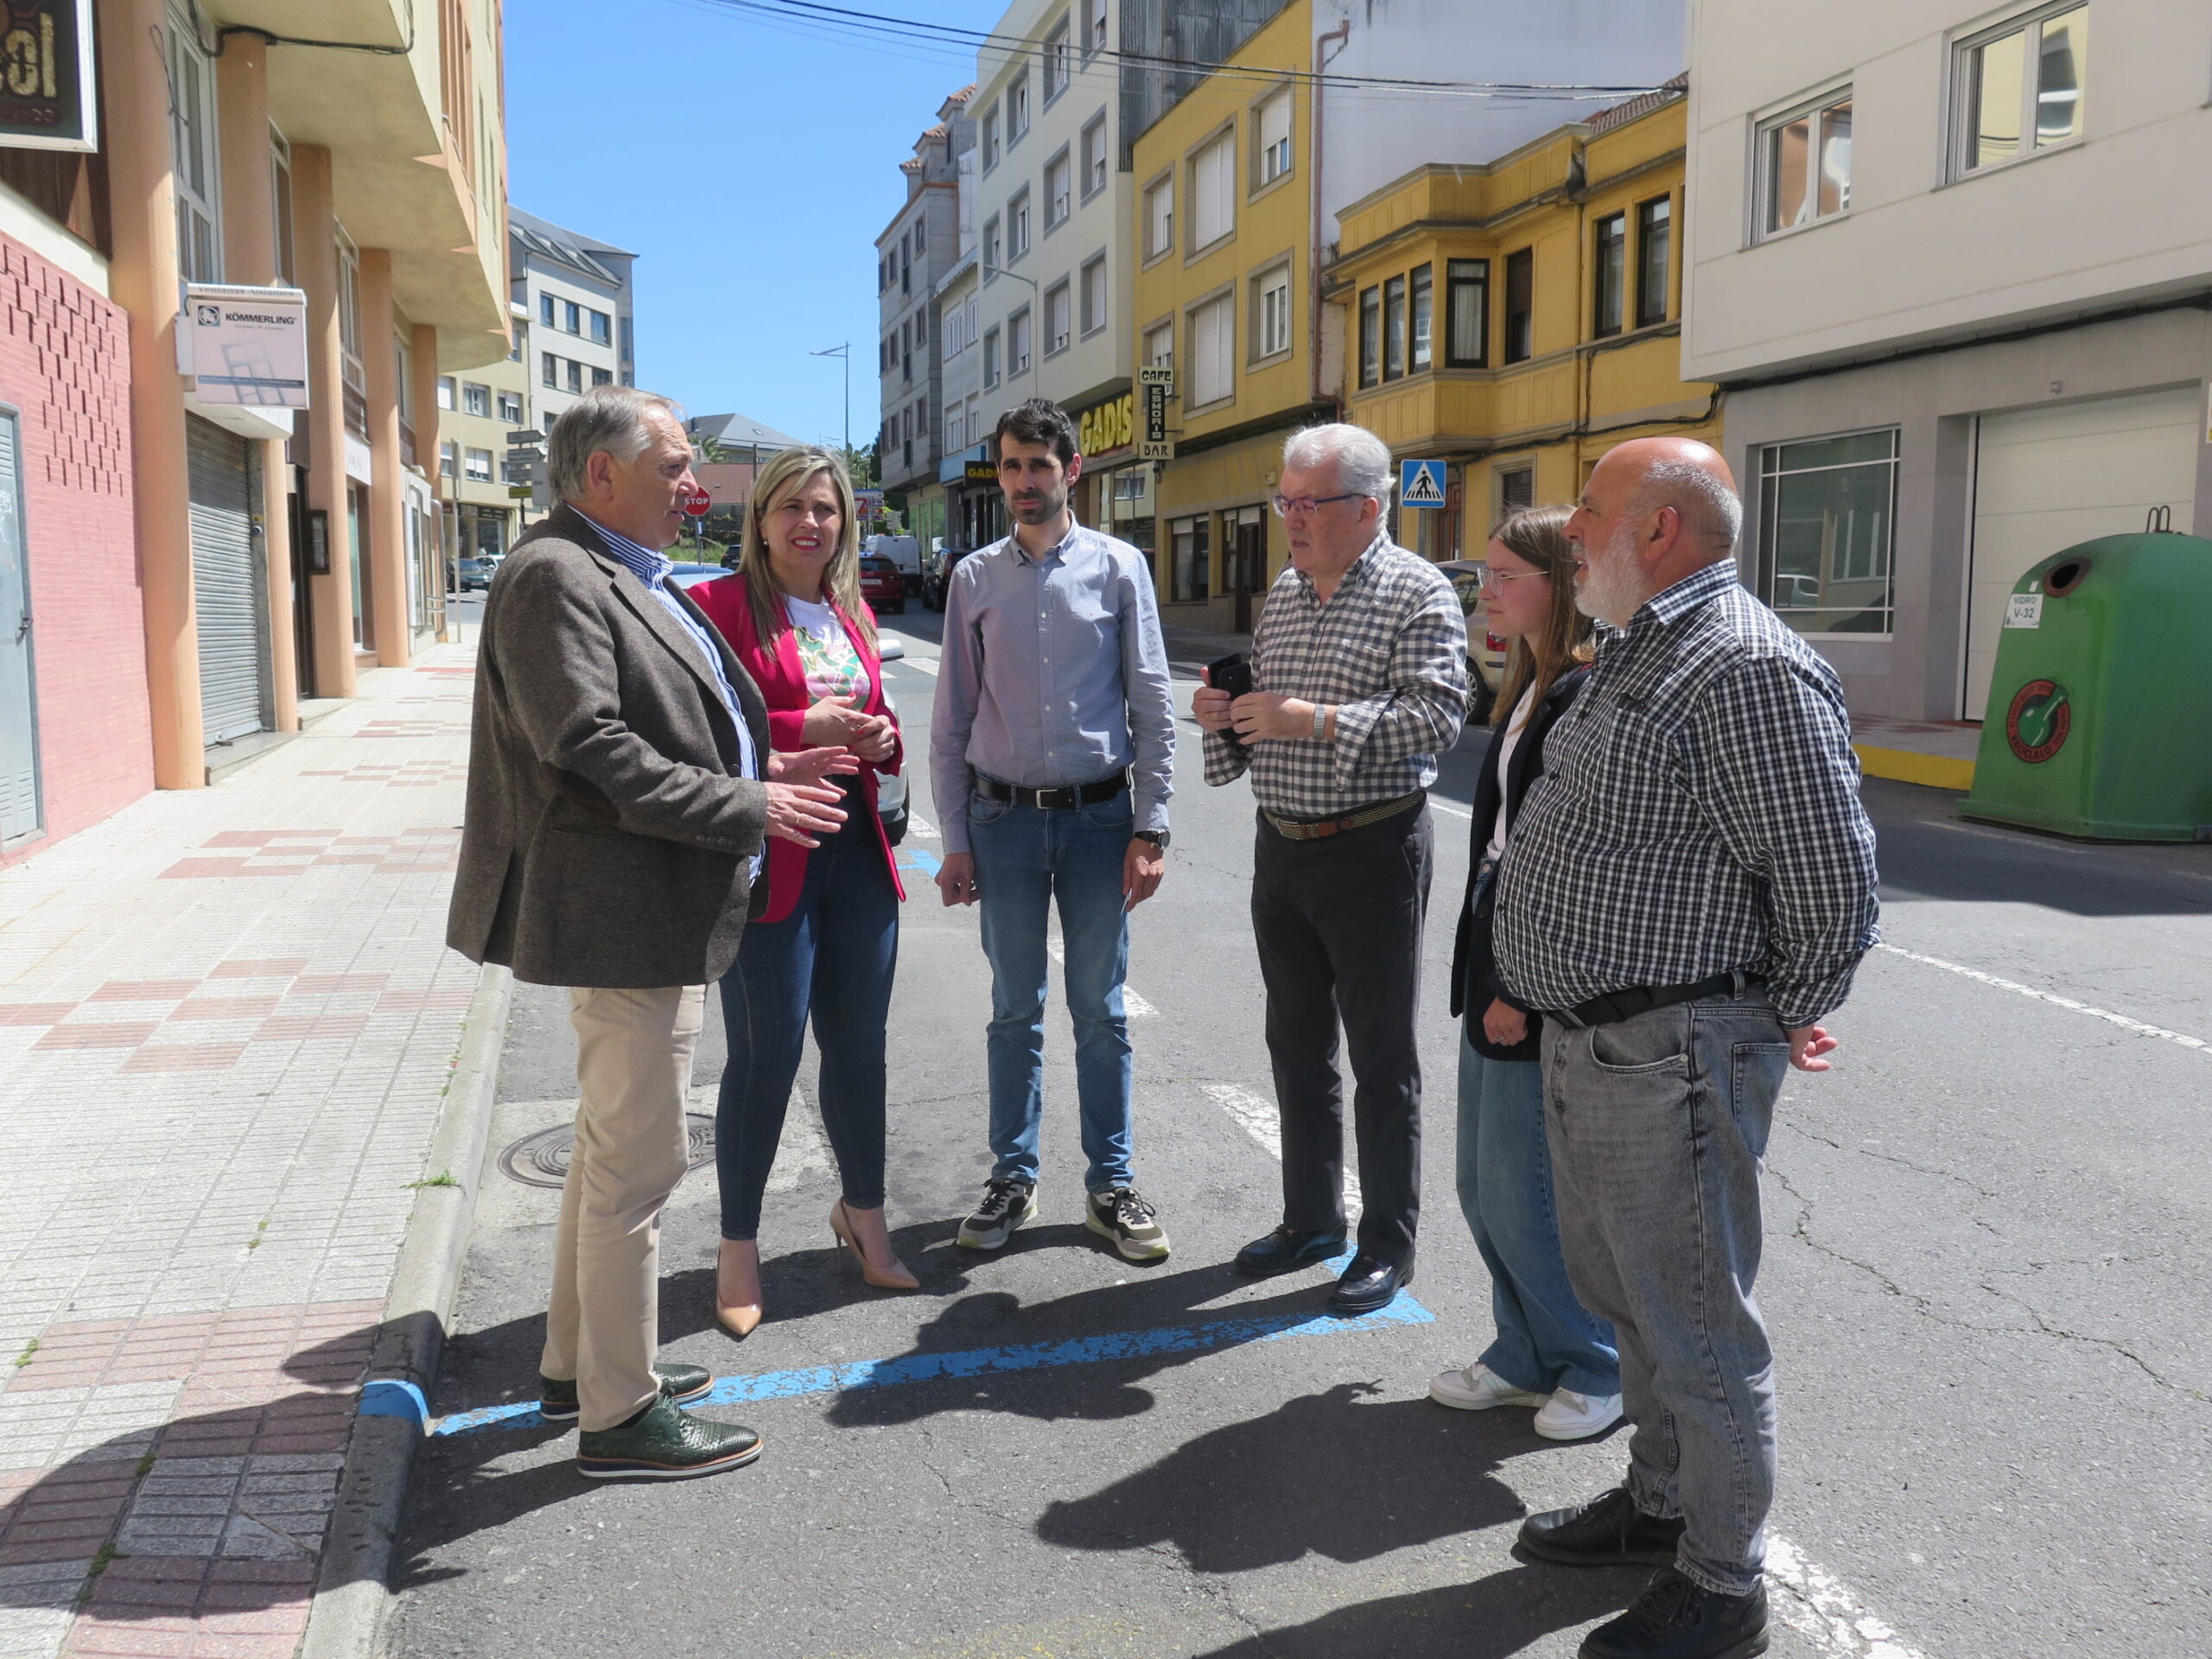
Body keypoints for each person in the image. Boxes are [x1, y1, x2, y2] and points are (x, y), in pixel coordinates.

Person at [1494, 438, 1878, 1659]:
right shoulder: (1641, 646)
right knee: (1635, 1308)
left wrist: (1752, 1022)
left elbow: (1833, 888)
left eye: (1591, 510)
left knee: (1699, 1324)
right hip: (1601, 1046)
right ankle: (1660, 1506)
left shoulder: (1743, 663)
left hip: (1670, 1053)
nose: (1570, 529)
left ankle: (1724, 1584)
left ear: (1658, 531)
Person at [446, 385, 854, 1480]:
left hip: (645, 906)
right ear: (598, 477)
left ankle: (579, 1365)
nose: (693, 485)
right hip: (619, 910)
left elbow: (676, 722)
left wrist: (766, 764)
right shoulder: (553, 575)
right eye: (673, 465)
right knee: (639, 1164)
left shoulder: (606, 568)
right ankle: (618, 1421)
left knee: (604, 1153)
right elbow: (590, 745)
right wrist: (750, 806)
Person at [1193, 423, 1468, 1315]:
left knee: (1382, 1058)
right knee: (1295, 1043)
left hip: (1371, 847)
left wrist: (1312, 720)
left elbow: (1435, 719)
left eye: (1309, 504)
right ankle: (1310, 1218)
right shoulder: (1282, 592)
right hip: (1283, 845)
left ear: (1369, 508)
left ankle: (1387, 1240)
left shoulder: (1415, 590)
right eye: (1285, 501)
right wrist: (1222, 713)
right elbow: (1259, 715)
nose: (1292, 518)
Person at [931, 397, 1177, 1262]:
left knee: (1100, 1012)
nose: (1024, 483)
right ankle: (1012, 1178)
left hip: (1099, 822)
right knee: (1013, 1011)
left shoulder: (1118, 569)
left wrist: (1153, 826)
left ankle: (1111, 1185)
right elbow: (952, 718)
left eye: (1039, 466)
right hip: (1000, 823)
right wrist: (954, 837)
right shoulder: (972, 578)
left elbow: (1152, 701)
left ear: (1073, 471)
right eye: (1010, 467)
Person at [690, 447, 916, 1340]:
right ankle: (737, 1247)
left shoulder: (847, 609)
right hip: (772, 854)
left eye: (824, 509)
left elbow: (884, 730)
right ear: (760, 520)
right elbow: (698, 725)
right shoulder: (714, 607)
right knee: (766, 1057)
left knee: (859, 1050)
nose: (808, 524)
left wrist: (876, 736)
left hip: (857, 856)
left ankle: (864, 1216)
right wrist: (800, 727)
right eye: (790, 507)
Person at [1428, 506, 1622, 1440]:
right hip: (1492, 936)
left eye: (1506, 574)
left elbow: (1562, 860)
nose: (1486, 592)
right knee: (1477, 1176)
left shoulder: (1584, 692)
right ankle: (1522, 1351)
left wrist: (1516, 985)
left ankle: (1592, 1362)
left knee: (1525, 1183)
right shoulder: (1527, 684)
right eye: (1486, 576)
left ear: (1560, 583)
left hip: (1531, 958)